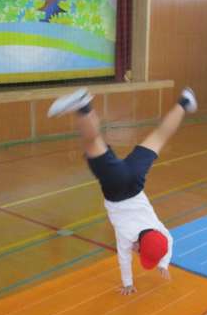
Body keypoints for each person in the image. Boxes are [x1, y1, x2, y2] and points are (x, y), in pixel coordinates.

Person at [48, 87, 198, 295]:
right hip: (115, 186)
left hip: (135, 180)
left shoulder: (159, 230)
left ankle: (184, 102)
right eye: (139, 253)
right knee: (92, 143)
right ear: (138, 246)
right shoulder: (128, 236)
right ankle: (84, 106)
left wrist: (164, 262)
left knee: (160, 136)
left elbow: (169, 241)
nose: (136, 253)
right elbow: (124, 258)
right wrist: (128, 283)